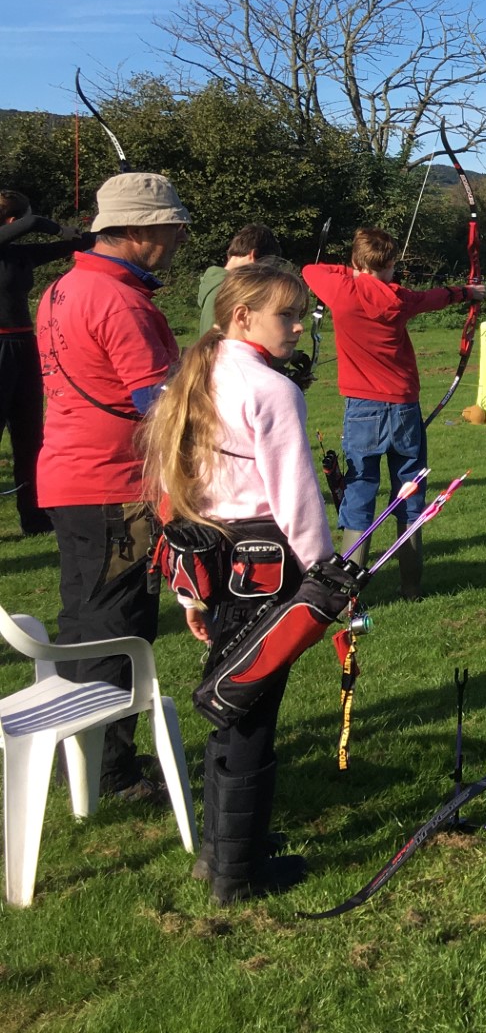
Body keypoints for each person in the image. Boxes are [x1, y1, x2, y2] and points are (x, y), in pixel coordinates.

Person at [145, 262, 328, 904]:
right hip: (267, 565)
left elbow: (183, 492)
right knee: (250, 707)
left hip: (216, 564)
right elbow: (297, 500)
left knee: (230, 701)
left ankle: (224, 852)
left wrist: (190, 592)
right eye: (288, 315)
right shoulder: (270, 389)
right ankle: (238, 875)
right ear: (243, 316)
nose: (301, 327)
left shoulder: (201, 371)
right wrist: (327, 582)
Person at [36, 172, 191, 802]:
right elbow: (159, 405)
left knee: (82, 620)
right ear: (135, 230)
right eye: (169, 227)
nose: (178, 237)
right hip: (115, 487)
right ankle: (110, 771)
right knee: (117, 628)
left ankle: (79, 754)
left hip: (71, 477)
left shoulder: (62, 289)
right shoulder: (121, 300)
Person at [303, 227, 483, 600]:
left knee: (359, 490)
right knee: (410, 492)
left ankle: (347, 594)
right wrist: (467, 292)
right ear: (391, 264)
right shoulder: (398, 297)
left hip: (362, 409)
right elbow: (435, 297)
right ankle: (411, 589)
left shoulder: (341, 290)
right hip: (402, 406)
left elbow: (310, 270)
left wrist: (352, 271)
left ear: (356, 261)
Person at [2, 191, 93, 536]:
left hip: (24, 345)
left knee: (30, 436)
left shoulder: (19, 256)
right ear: (13, 222)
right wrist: (57, 228)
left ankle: (35, 518)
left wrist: (99, 232)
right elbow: (36, 223)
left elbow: (79, 244)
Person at [197, 224, 288, 334]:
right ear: (253, 255)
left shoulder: (218, 283)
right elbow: (214, 339)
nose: (266, 276)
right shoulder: (227, 289)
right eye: (266, 267)